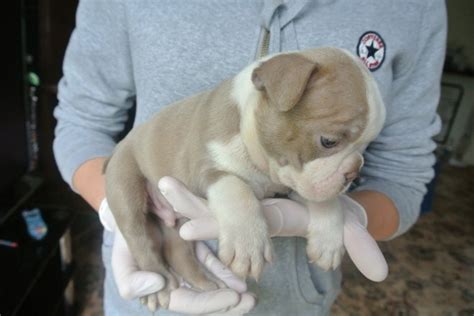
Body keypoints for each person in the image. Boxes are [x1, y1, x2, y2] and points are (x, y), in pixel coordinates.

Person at [53, 0, 447, 315]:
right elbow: (80, 122)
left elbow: (403, 174)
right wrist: (121, 216)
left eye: (358, 147)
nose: (352, 166)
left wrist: (348, 217)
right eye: (330, 141)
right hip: (150, 300)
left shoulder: (414, 7)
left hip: (296, 306)